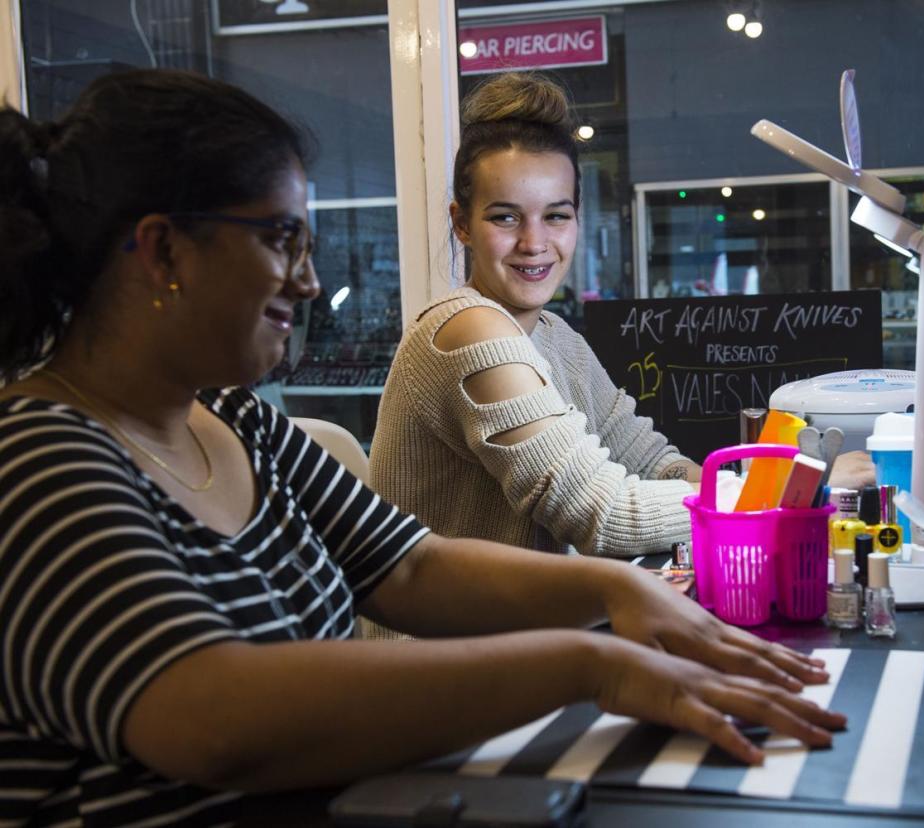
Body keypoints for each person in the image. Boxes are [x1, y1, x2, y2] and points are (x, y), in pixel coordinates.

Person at [0, 69, 846, 826]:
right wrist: (592, 660)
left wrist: (616, 593)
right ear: (164, 251)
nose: (304, 280)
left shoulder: (233, 418)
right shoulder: (36, 461)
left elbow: (408, 568)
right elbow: (210, 720)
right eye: (281, 240)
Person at [369, 72, 872, 558]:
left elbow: (656, 464)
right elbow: (602, 513)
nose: (535, 243)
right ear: (461, 223)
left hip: (529, 632)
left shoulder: (555, 338)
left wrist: (755, 484)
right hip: (454, 643)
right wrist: (793, 487)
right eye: (505, 217)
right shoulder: (467, 329)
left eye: (556, 215)